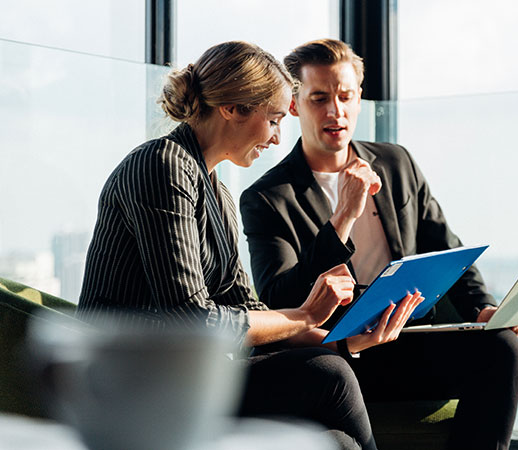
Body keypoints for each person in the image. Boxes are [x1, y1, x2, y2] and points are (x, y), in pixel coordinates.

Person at [76, 41, 424, 450]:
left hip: (189, 374)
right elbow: (194, 321)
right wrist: (307, 313)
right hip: (134, 382)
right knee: (328, 375)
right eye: (274, 119)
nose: (277, 139)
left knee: (335, 441)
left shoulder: (216, 194)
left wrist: (342, 338)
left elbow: (248, 308)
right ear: (234, 108)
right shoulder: (162, 165)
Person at [240, 38, 518, 450]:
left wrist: (483, 308)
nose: (335, 111)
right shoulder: (269, 197)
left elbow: (446, 247)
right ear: (294, 105)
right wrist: (344, 217)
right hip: (341, 354)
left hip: (410, 341)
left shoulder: (396, 163)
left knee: (502, 346)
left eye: (345, 96)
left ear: (359, 100)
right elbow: (279, 297)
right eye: (319, 98)